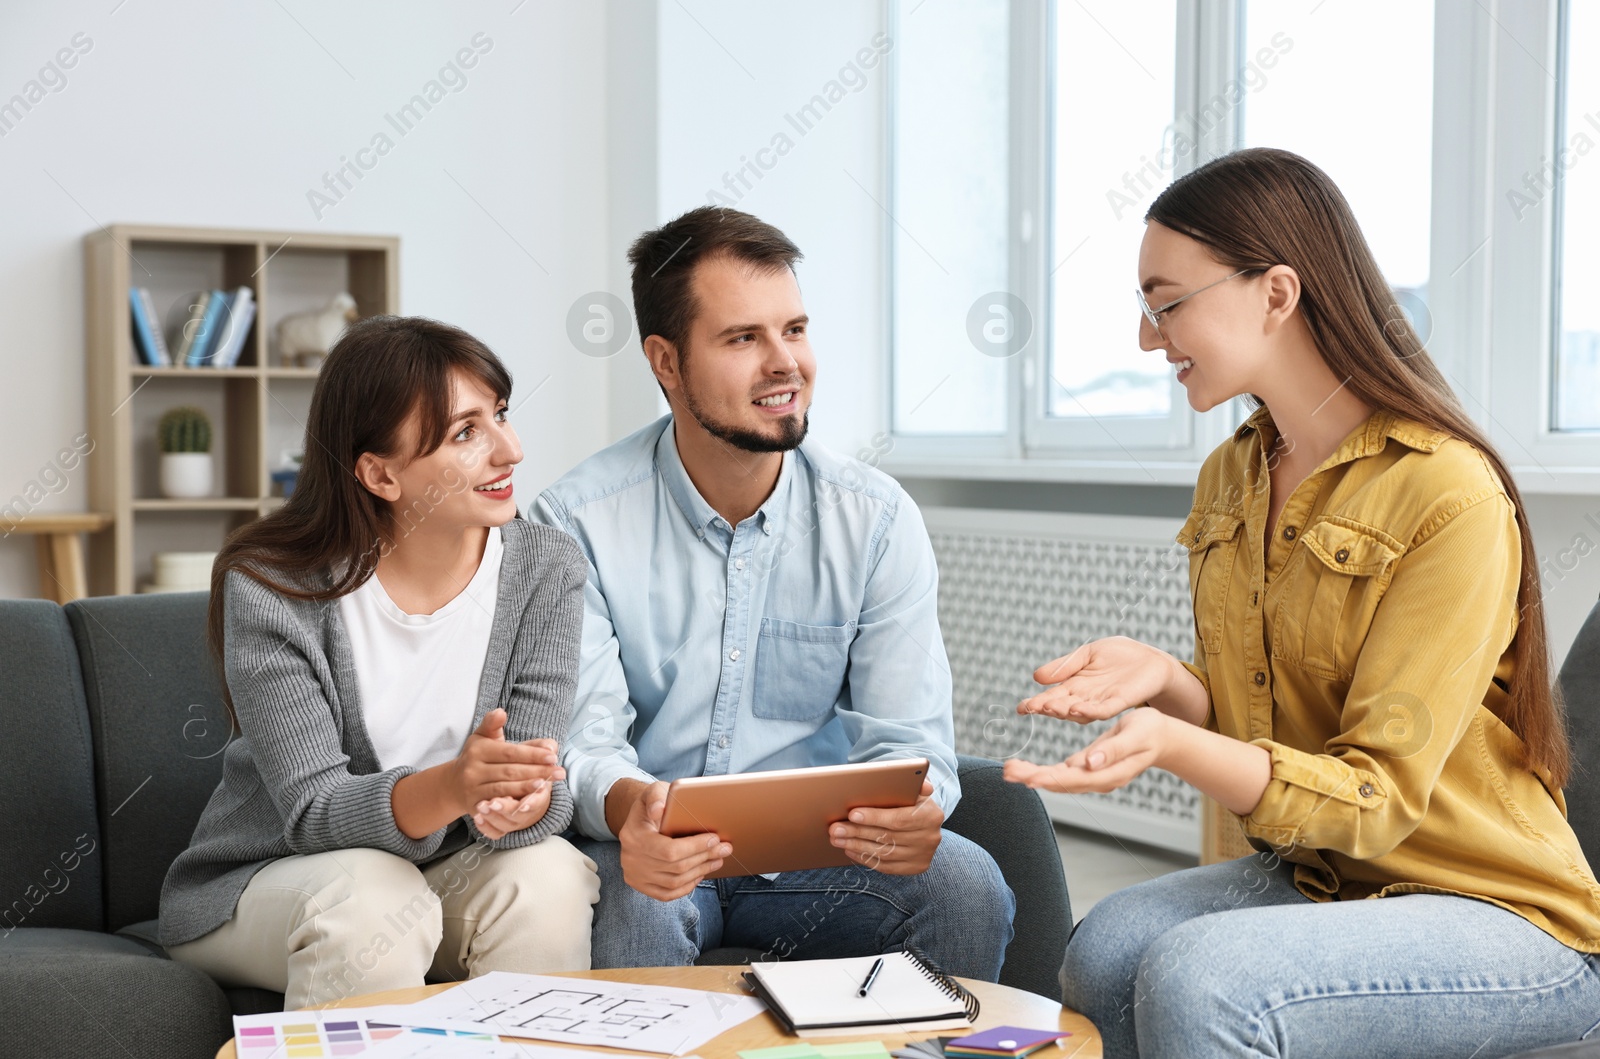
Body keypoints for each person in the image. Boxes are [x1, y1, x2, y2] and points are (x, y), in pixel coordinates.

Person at [1005, 147, 1600, 1058]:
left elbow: (1373, 797)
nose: (1145, 338)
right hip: (1332, 879)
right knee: (1108, 946)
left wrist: (1175, 746)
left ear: (1276, 293)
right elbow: (1272, 716)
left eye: (1166, 304)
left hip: (1492, 905)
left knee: (1205, 979)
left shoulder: (1449, 493)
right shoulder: (1232, 473)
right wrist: (1166, 681)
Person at [533, 206, 1014, 977]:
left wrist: (919, 809)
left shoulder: (876, 520)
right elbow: (582, 741)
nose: (784, 361)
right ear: (666, 361)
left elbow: (911, 737)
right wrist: (637, 814)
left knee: (965, 886)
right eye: (743, 337)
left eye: (793, 329)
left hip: (816, 862)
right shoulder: (573, 521)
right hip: (654, 858)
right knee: (639, 905)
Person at [160, 316, 600, 1009]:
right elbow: (313, 810)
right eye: (466, 433)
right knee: (370, 895)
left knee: (550, 876)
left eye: (502, 416)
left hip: (442, 876)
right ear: (379, 473)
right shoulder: (274, 584)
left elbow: (537, 779)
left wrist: (527, 798)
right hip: (274, 877)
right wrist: (458, 786)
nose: (510, 450)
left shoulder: (546, 567)